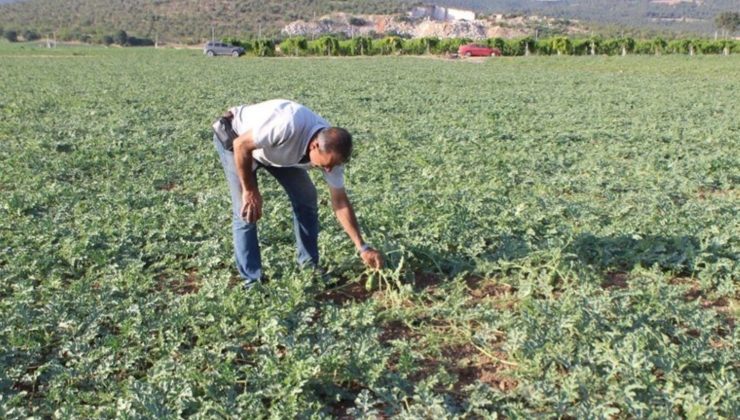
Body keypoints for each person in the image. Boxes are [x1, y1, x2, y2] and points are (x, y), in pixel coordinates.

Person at [212, 99, 383, 286]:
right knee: (246, 211)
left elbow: (340, 202)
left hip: (277, 153)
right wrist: (250, 190)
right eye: (325, 165)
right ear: (315, 146)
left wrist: (362, 247)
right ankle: (251, 282)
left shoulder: (333, 154)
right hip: (237, 140)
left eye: (332, 166)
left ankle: (309, 267)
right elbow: (240, 145)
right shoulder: (287, 124)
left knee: (306, 198)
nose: (328, 170)